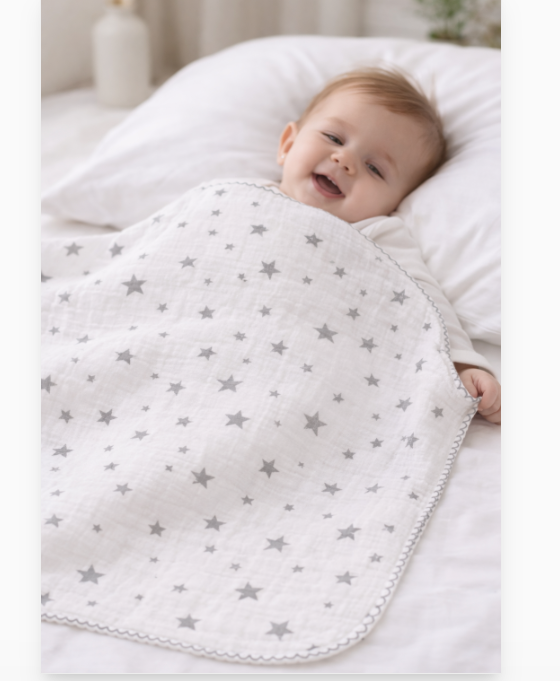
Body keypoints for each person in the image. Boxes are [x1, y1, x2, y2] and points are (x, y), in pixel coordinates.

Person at [262, 67, 500, 424]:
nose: (345, 160)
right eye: (334, 137)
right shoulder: (233, 195)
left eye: (375, 169)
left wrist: (462, 364)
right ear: (287, 145)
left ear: (395, 202)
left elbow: (427, 304)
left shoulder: (377, 233)